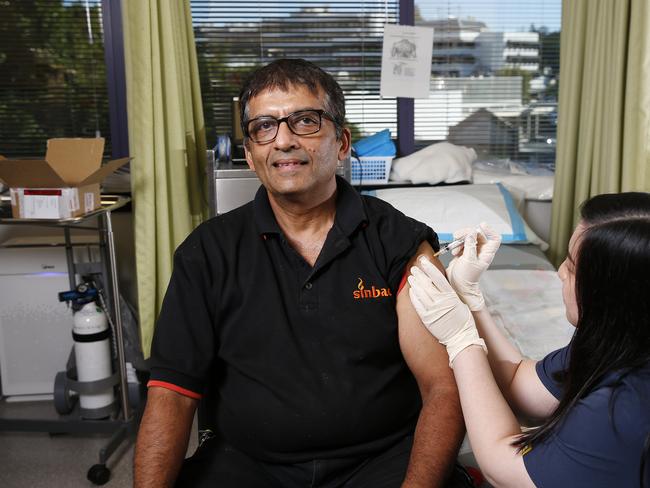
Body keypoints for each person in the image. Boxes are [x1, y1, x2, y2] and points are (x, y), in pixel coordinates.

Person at [134, 58, 470, 488]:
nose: (284, 141)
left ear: (342, 142)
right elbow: (171, 395)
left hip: (382, 459)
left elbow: (442, 387)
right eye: (264, 127)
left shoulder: (400, 243)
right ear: (251, 155)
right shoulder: (206, 253)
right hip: (249, 461)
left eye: (305, 122)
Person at [407, 193, 650, 487]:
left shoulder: (621, 408)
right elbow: (518, 383)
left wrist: (462, 341)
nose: (559, 272)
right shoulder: (621, 341)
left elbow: (503, 468)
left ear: (612, 295)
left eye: (572, 268)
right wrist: (469, 298)